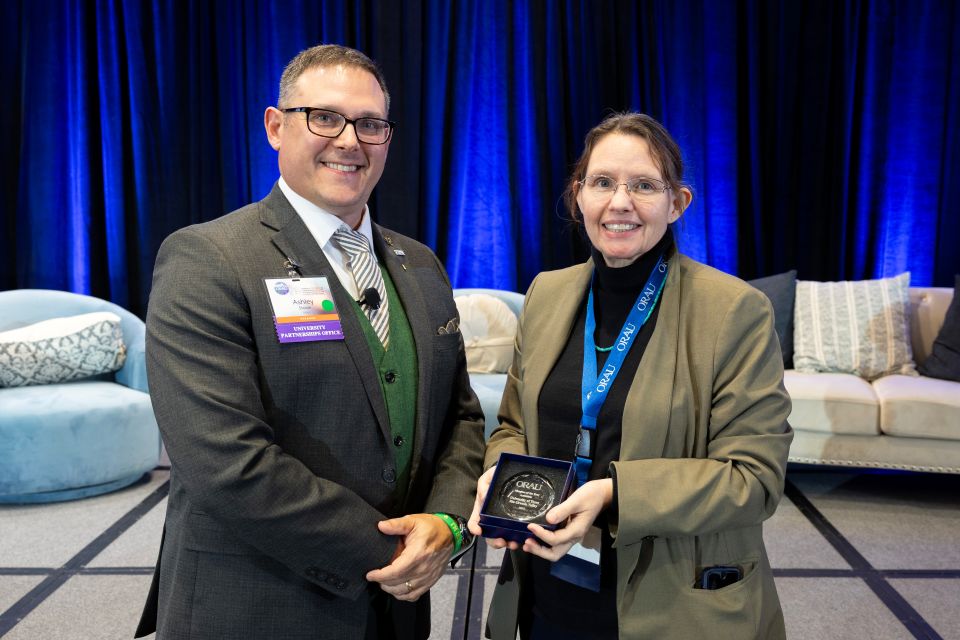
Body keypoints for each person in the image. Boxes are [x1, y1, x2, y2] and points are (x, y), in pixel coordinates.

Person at [135, 44, 484, 640]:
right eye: (324, 117)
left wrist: (447, 524)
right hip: (257, 604)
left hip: (396, 609)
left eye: (371, 124)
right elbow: (227, 464)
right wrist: (392, 549)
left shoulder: (419, 263)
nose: (350, 141)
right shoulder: (209, 258)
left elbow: (459, 415)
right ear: (276, 127)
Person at [468, 112, 793, 639]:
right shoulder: (547, 294)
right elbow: (510, 425)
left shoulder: (734, 311)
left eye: (644, 185)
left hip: (669, 598)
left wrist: (613, 493)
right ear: (579, 196)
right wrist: (497, 476)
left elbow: (753, 479)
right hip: (545, 581)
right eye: (602, 183)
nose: (620, 203)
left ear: (677, 202)